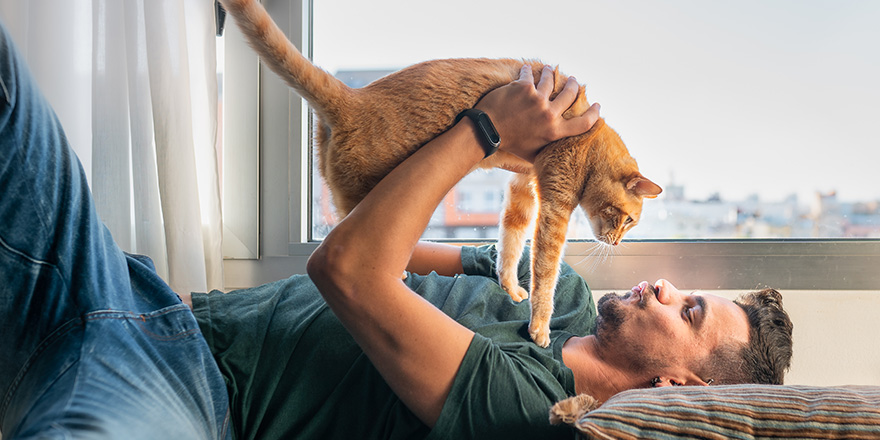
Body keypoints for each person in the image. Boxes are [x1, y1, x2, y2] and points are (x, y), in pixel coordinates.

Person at [0, 17, 793, 440]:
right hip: (126, 291)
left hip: (187, 389)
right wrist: (502, 149)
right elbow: (374, 239)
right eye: (686, 292)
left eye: (687, 311)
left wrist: (482, 132)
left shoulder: (528, 403)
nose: (664, 286)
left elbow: (345, 271)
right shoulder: (568, 293)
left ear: (678, 385)